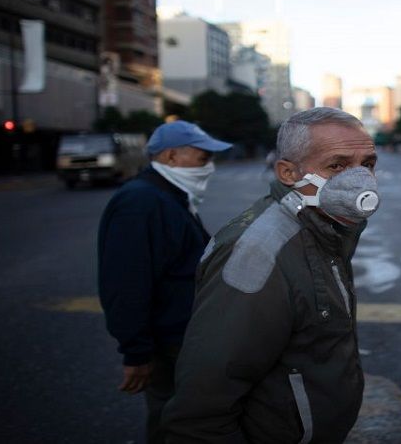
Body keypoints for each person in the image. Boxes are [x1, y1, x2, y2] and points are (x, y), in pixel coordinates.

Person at [162, 107, 380, 443]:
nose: (361, 179)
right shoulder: (257, 253)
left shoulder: (326, 227)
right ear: (288, 172)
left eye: (367, 164)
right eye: (337, 165)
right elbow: (201, 412)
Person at [97, 120, 232, 444]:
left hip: (183, 334)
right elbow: (126, 282)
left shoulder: (170, 194)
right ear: (172, 156)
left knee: (187, 417)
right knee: (174, 421)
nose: (209, 167)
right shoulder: (141, 202)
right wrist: (136, 352)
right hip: (168, 340)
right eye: (203, 158)